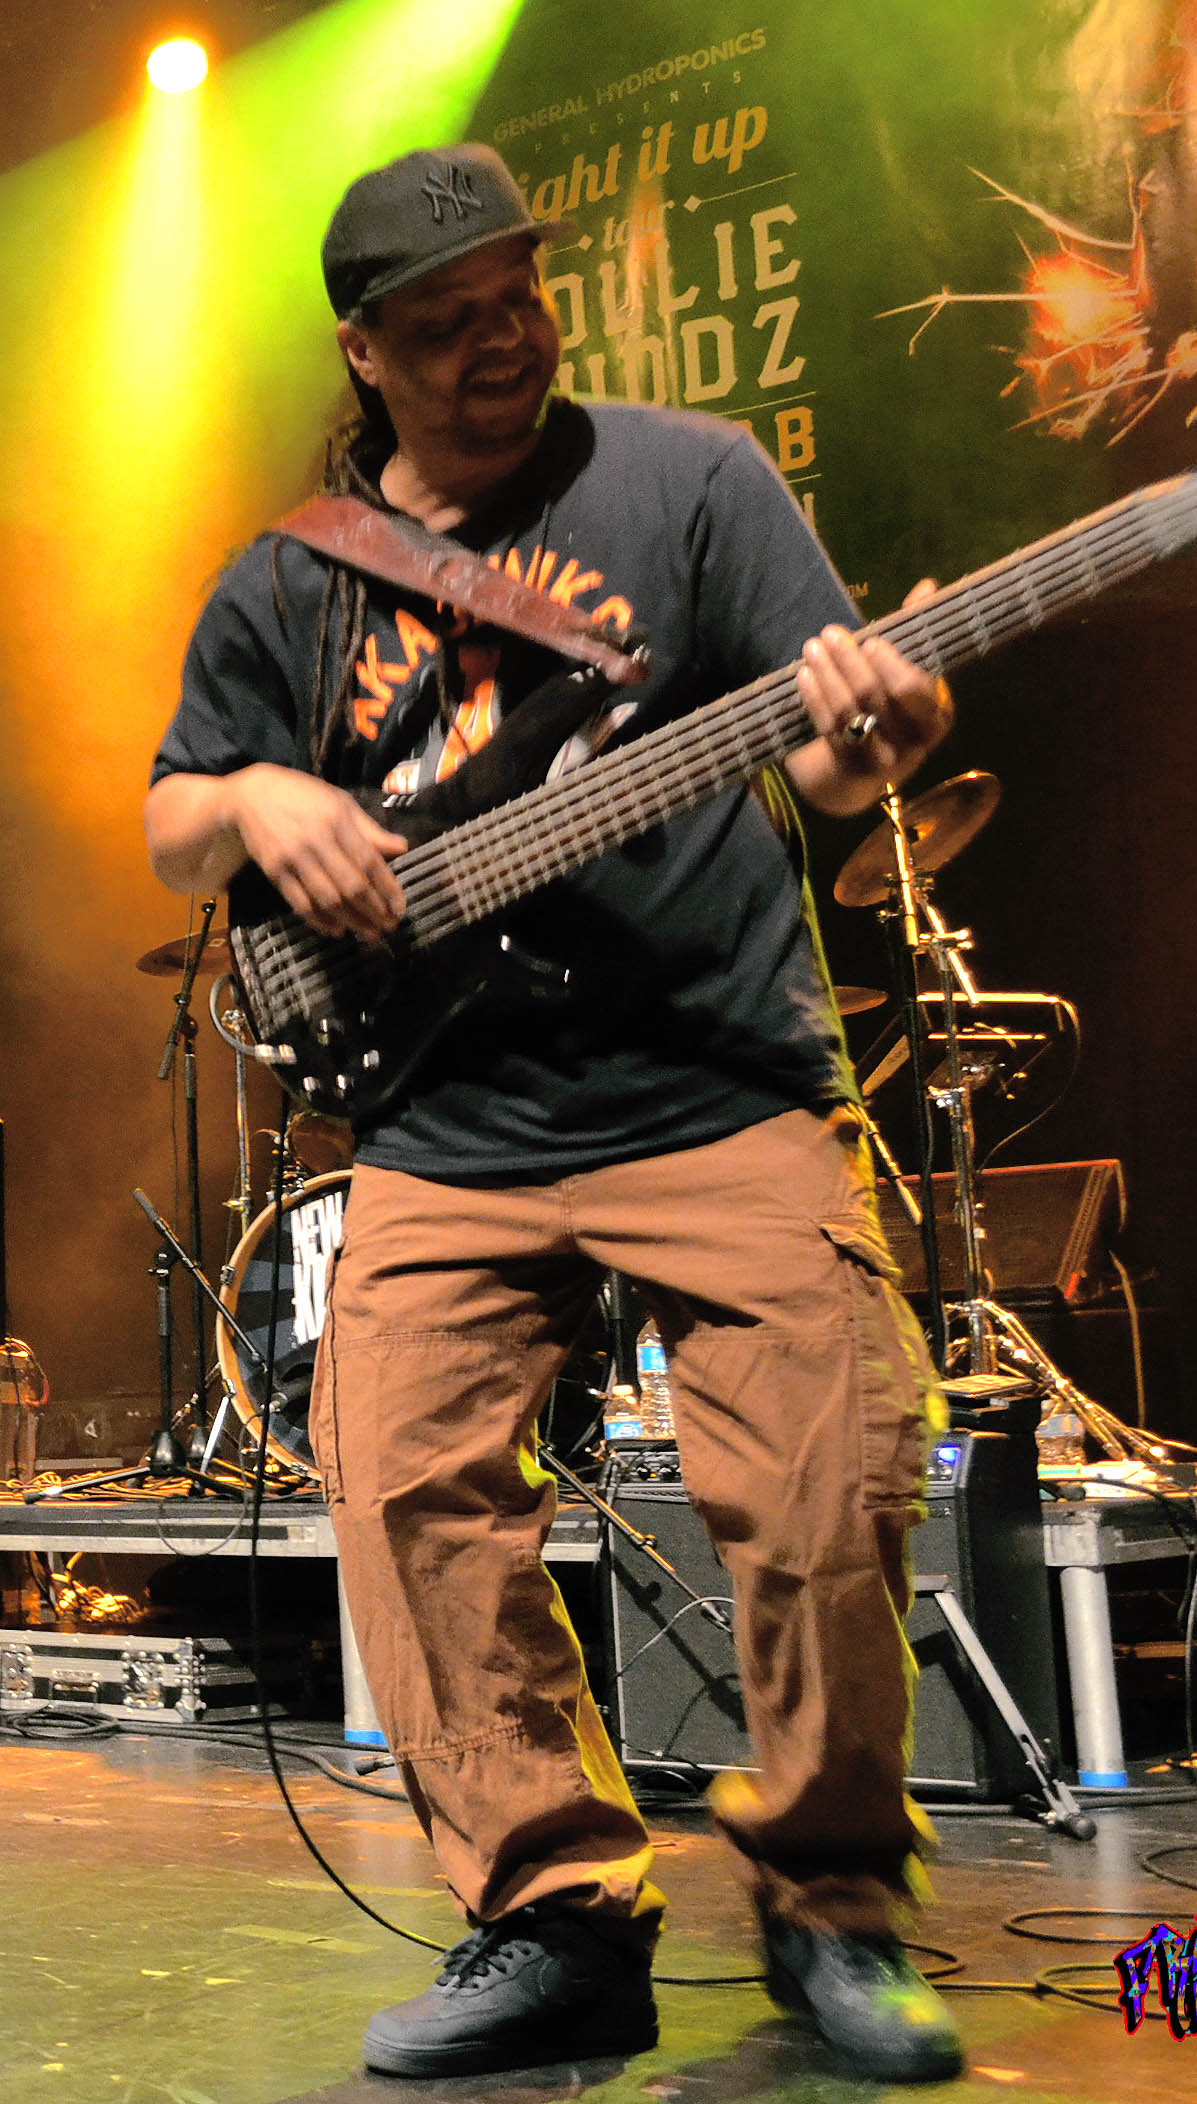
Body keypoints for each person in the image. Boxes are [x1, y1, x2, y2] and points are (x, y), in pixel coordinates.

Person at [144, 144, 962, 2084]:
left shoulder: (693, 483)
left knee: (832, 1484)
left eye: (520, 295)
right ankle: (556, 1915)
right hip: (450, 1116)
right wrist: (259, 800)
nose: (501, 339)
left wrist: (876, 736)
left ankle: (834, 1909)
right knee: (403, 1490)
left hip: (715, 1078)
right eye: (448, 321)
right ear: (367, 351)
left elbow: (831, 766)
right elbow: (175, 821)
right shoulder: (291, 581)